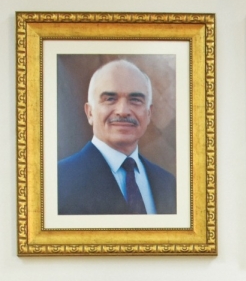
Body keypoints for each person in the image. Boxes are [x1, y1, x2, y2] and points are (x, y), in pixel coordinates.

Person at [58, 59, 176, 215]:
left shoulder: (168, 184)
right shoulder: (58, 181)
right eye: (110, 99)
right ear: (90, 112)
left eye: (135, 100)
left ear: (148, 114)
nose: (123, 111)